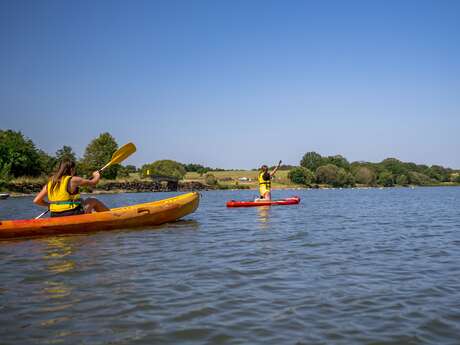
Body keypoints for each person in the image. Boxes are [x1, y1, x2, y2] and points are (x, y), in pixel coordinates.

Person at [33, 160, 109, 217]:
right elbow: (93, 182)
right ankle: (111, 216)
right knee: (92, 200)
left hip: (55, 215)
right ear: (72, 169)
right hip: (71, 214)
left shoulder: (50, 183)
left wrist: (49, 205)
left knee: (81, 201)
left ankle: (90, 219)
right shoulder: (74, 180)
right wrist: (96, 175)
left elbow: (36, 201)